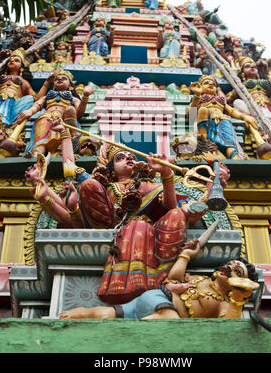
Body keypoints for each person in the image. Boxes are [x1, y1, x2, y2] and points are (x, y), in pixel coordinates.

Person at [26, 119, 210, 304]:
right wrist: (65, 136)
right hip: (109, 222)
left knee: (172, 215)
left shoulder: (149, 185)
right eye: (120, 158)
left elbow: (170, 209)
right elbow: (69, 168)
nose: (128, 158)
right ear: (111, 168)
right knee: (88, 185)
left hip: (144, 227)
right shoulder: (107, 188)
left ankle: (162, 274)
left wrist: (166, 174)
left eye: (131, 156)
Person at [59, 240, 259, 320]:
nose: (230, 268)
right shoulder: (201, 279)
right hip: (159, 298)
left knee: (107, 313)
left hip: (156, 304)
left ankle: (72, 315)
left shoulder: (225, 304)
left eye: (237, 273)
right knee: (169, 322)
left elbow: (230, 327)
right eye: (231, 265)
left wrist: (238, 300)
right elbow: (173, 278)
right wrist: (186, 255)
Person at [14, 70, 94, 157]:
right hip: (46, 117)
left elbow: (78, 113)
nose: (59, 79)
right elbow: (37, 104)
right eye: (57, 79)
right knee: (42, 137)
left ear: (70, 86)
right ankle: (36, 154)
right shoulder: (47, 96)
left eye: (64, 78)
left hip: (63, 119)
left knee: (70, 109)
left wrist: (85, 97)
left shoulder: (72, 98)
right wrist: (30, 111)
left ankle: (71, 141)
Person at [187, 75, 258, 159]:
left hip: (224, 122)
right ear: (200, 87)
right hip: (207, 122)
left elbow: (232, 111)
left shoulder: (221, 101)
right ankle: (203, 138)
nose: (210, 84)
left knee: (229, 143)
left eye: (213, 84)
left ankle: (236, 159)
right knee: (203, 110)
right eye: (206, 83)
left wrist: (244, 116)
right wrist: (197, 95)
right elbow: (190, 114)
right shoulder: (198, 98)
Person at [0, 48, 35, 127]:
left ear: (21, 66)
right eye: (10, 60)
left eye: (16, 60)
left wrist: (46, 84)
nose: (12, 61)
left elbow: (35, 98)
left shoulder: (24, 82)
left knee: (29, 98)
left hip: (13, 104)